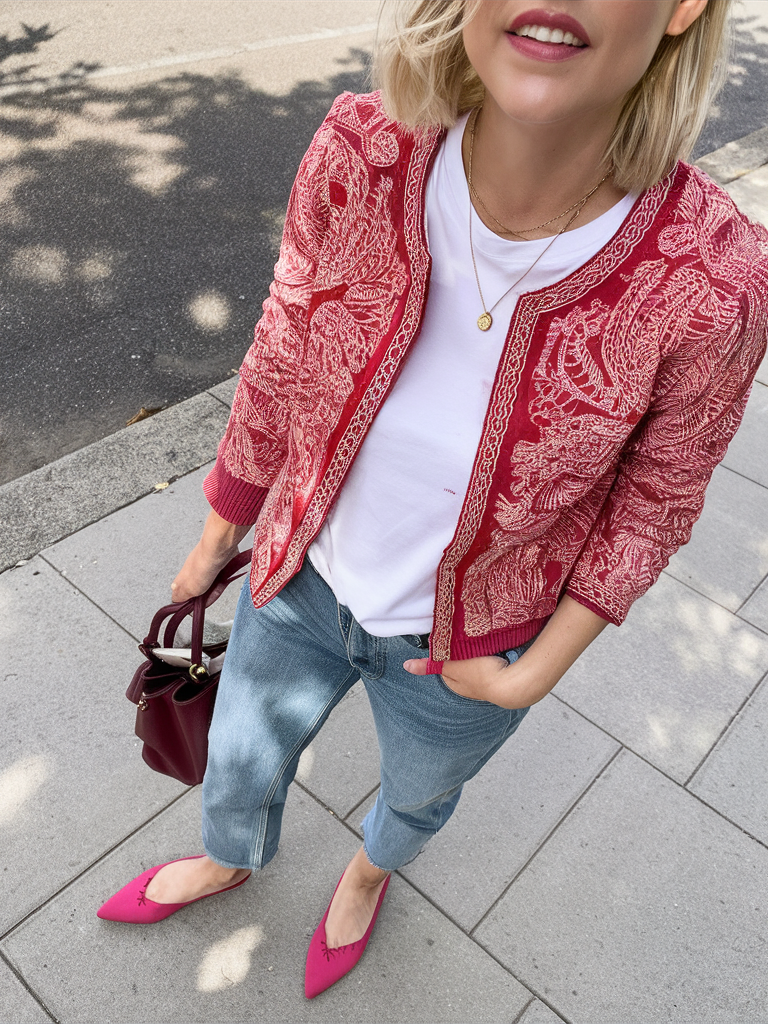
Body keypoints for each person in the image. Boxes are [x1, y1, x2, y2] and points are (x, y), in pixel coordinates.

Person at [97, 0, 768, 1000]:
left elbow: (660, 496)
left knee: (418, 793)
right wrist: (217, 534)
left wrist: (532, 672)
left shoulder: (716, 279)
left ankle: (367, 879)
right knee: (238, 751)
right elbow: (285, 339)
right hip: (299, 573)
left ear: (682, 10)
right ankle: (230, 856)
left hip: (475, 644)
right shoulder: (361, 151)